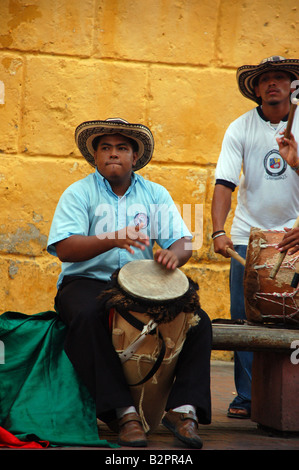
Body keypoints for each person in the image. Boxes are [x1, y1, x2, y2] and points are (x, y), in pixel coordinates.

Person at [47, 118, 212, 448]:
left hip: (140, 285)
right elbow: (64, 247)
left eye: (122, 148)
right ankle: (123, 413)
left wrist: (173, 257)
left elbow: (184, 242)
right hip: (86, 281)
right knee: (88, 314)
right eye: (105, 147)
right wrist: (112, 238)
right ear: (95, 156)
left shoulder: (155, 194)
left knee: (198, 320)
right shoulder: (78, 193)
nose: (113, 154)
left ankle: (182, 409)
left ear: (134, 157)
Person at [211, 56, 299, 419]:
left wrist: (295, 161)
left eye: (281, 78)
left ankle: (291, 397)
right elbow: (224, 184)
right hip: (250, 234)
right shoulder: (240, 128)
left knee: (294, 319)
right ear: (256, 88)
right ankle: (247, 396)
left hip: (296, 234)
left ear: (292, 87)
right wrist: (218, 229)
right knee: (245, 318)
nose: (273, 84)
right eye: (266, 79)